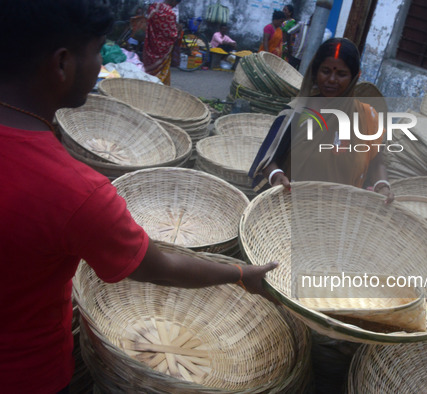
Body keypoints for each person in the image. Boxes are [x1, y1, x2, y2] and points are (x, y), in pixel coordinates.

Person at [0, 1, 277, 393]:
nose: (98, 63)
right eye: (96, 51)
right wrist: (239, 273)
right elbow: (158, 267)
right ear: (62, 64)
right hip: (25, 375)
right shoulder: (76, 192)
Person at [249, 38, 394, 202]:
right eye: (325, 71)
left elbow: (376, 162)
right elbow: (268, 157)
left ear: (355, 76)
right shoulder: (295, 114)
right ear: (315, 72)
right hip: (293, 207)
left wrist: (382, 186)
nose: (332, 80)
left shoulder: (367, 117)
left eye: (341, 74)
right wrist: (276, 176)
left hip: (343, 211)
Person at [143, 0, 182, 85]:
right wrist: (178, 31)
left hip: (151, 43)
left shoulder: (154, 7)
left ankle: (147, 83)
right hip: (163, 48)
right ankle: (160, 85)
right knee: (162, 70)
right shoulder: (170, 13)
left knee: (148, 70)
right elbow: (171, 34)